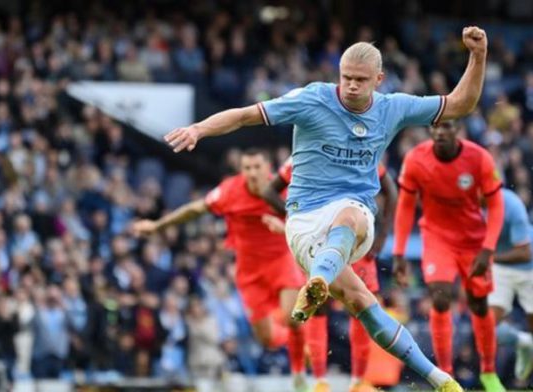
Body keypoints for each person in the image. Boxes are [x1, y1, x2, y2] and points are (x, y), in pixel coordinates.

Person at [162, 25, 491, 392]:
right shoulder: (311, 100)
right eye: (346, 77)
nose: (350, 85)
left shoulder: (393, 108)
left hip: (354, 219)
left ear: (379, 79)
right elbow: (243, 115)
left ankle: (320, 284)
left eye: (360, 80)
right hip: (304, 221)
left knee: (350, 215)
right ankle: (440, 380)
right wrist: (198, 130)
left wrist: (477, 56)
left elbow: (461, 103)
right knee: (361, 302)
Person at [132, 149, 309, 391]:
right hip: (249, 270)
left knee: (293, 317)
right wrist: (157, 225)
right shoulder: (230, 191)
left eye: (257, 167)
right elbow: (195, 209)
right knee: (267, 340)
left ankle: (299, 375)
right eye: (247, 168)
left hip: (281, 260)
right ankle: (296, 340)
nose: (252, 173)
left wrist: (285, 225)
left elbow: (308, 223)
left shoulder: (287, 190)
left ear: (269, 168)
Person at [262, 159, 396, 392]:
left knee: (361, 307)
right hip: (319, 240)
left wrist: (382, 235)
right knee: (318, 305)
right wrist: (297, 219)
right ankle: (320, 381)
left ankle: (358, 382)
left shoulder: (359, 146)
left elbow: (390, 189)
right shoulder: (304, 154)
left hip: (355, 237)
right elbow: (269, 191)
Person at [392, 120, 505, 392]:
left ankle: (488, 372)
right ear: (430, 131)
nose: (441, 132)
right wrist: (399, 252)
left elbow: (496, 204)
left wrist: (488, 247)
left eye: (448, 127)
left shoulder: (479, 158)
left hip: (473, 241)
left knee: (478, 304)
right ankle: (446, 376)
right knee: (440, 298)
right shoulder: (417, 159)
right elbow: (406, 207)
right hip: (436, 237)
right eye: (436, 128)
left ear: (459, 131)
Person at [487, 188, 533, 383]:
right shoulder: (470, 205)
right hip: (499, 267)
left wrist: (489, 258)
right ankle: (523, 342)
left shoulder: (512, 205)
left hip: (529, 267)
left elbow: (525, 253)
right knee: (486, 328)